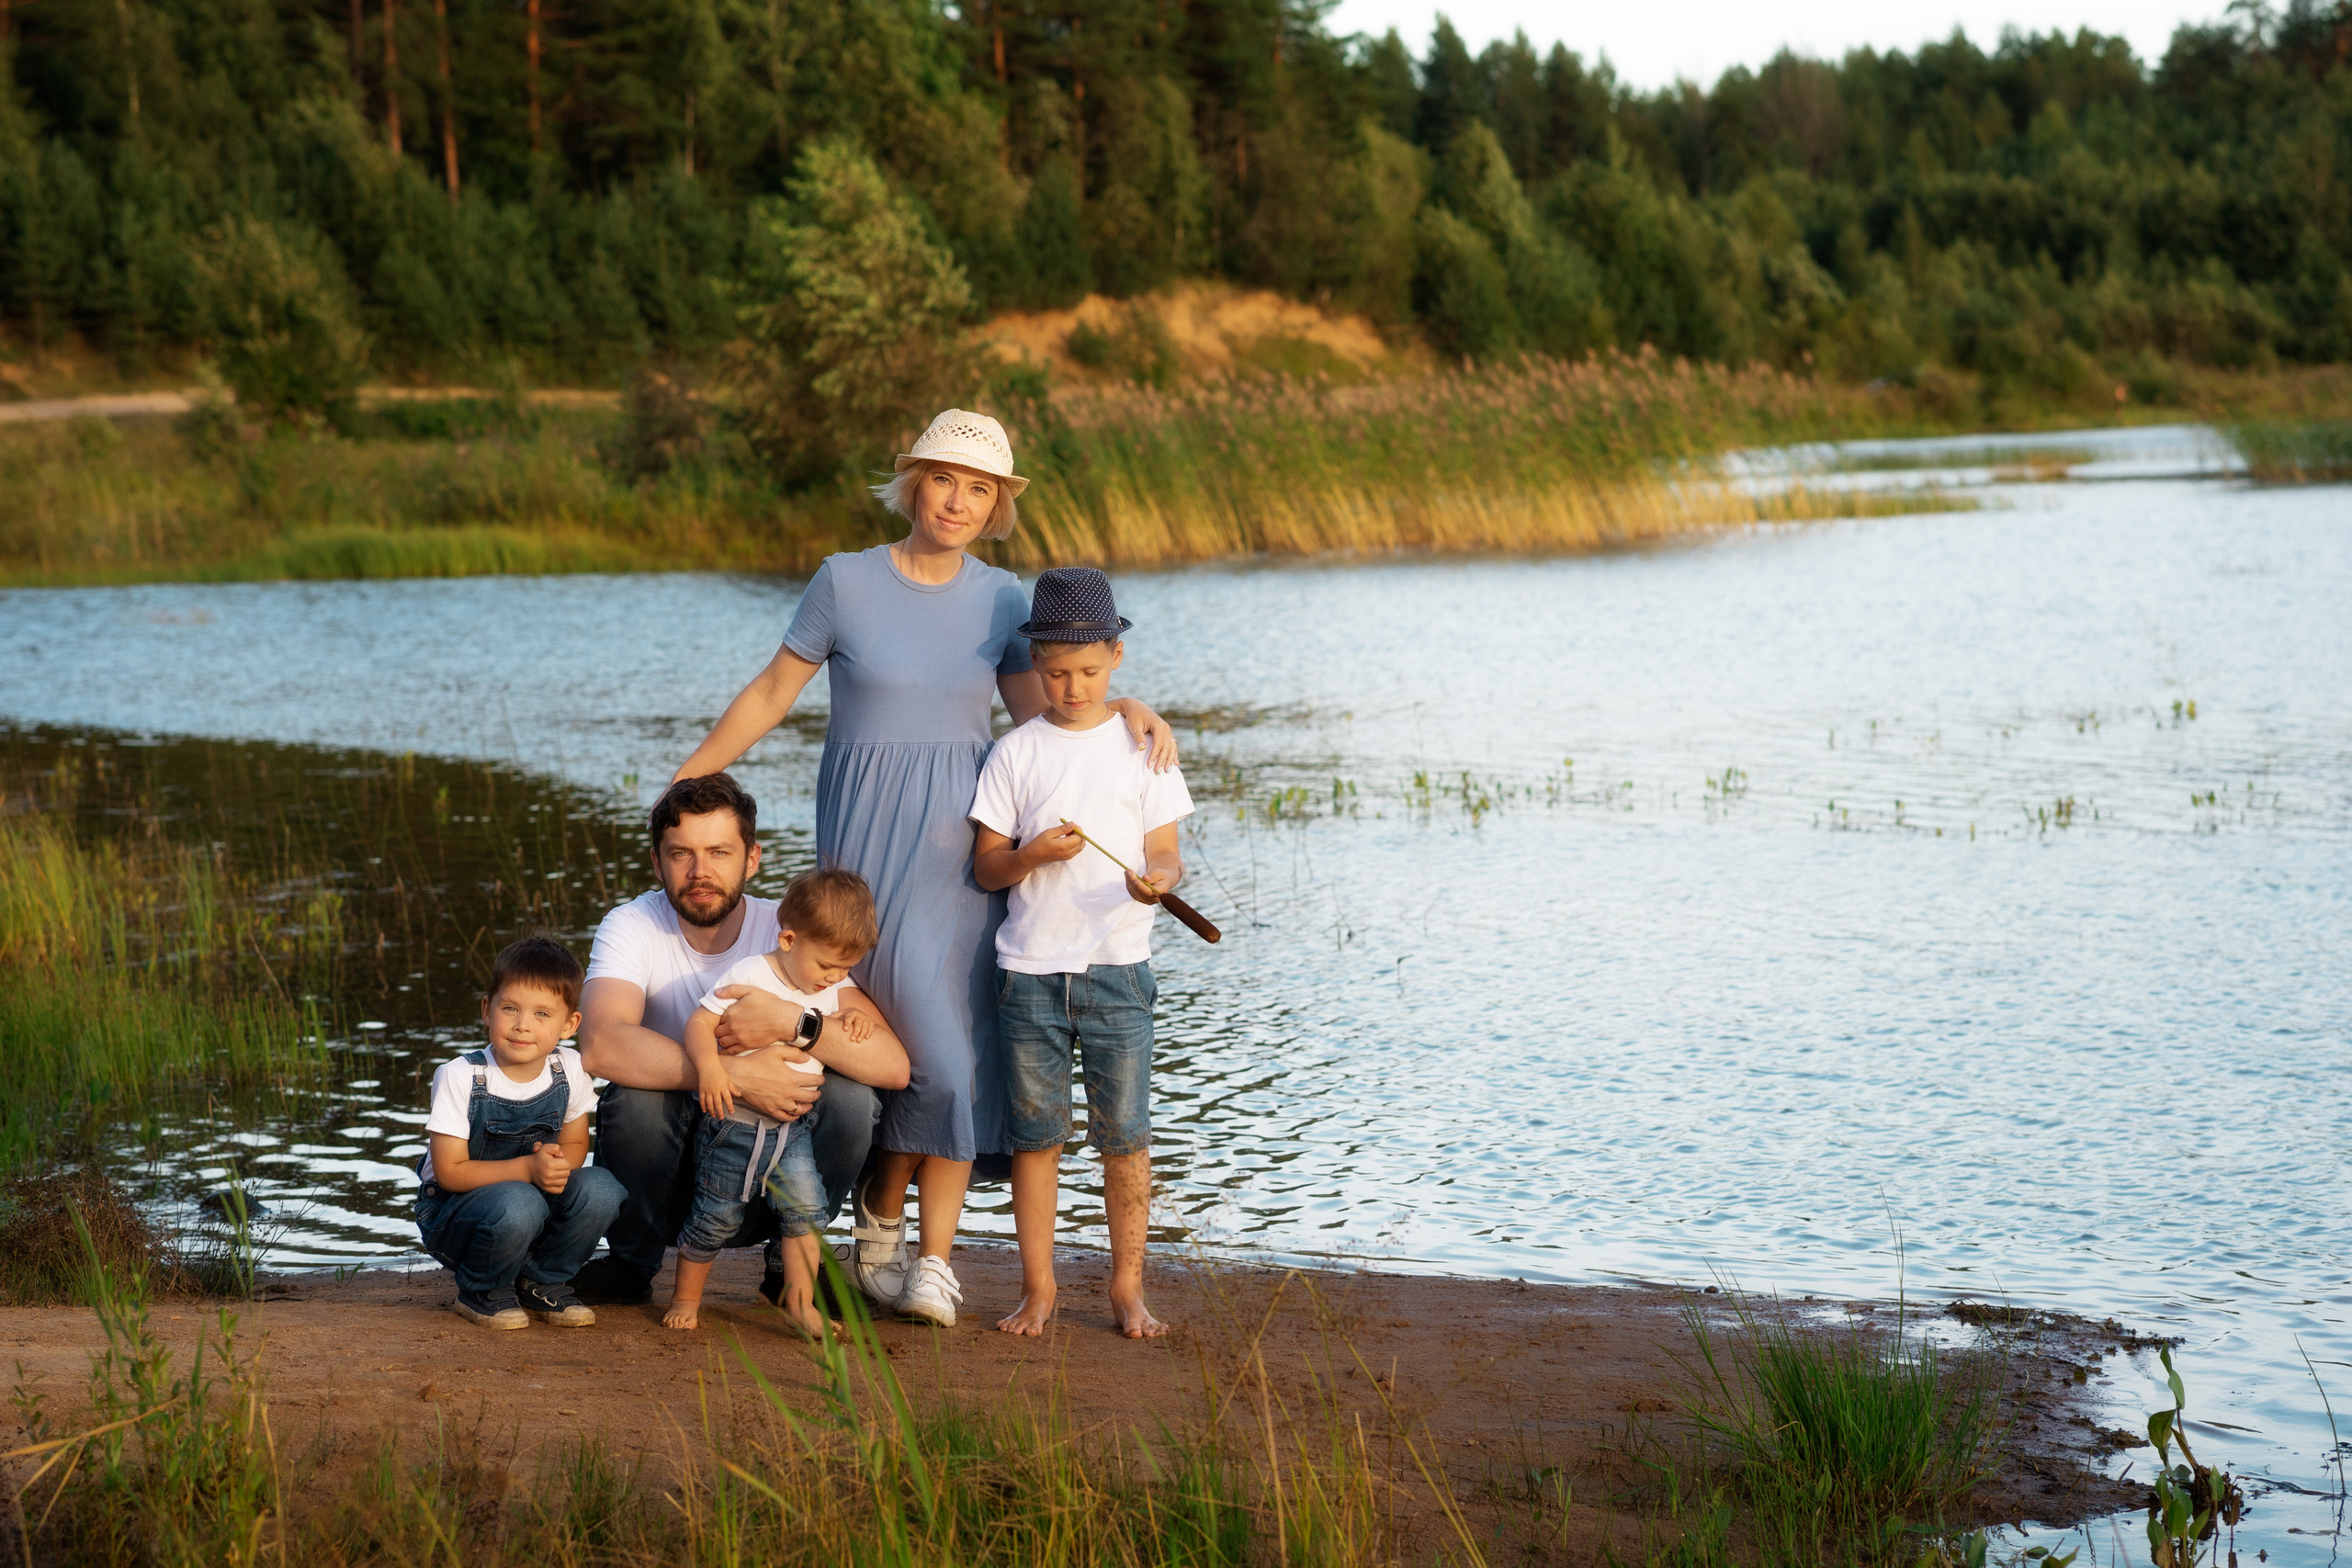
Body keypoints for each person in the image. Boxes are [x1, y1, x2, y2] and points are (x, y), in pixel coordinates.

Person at [670, 408, 1178, 1328]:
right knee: (861, 1055)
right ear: (913, 483)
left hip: (960, 857)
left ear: (996, 508)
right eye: (944, 479)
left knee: (947, 1061)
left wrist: (1131, 702)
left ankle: (923, 1257)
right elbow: (775, 689)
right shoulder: (844, 581)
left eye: (979, 489)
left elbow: (1052, 715)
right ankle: (849, 1239)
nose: (957, 500)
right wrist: (695, 771)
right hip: (858, 856)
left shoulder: (998, 601)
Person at [572, 774, 910, 1308]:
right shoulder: (632, 924)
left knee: (852, 1100)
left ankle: (790, 1266)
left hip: (774, 1166)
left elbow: (891, 1067)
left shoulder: (792, 933)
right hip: (673, 1176)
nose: (699, 871)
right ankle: (631, 1263)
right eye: (680, 854)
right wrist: (735, 1075)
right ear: (657, 862)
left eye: (719, 852)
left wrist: (793, 1022)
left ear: (752, 858)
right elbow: (600, 1046)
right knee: (634, 1100)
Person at [971, 569, 1193, 1339]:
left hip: (1119, 971)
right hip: (1028, 974)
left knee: (1125, 1140)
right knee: (1037, 1139)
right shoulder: (1016, 753)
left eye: (1090, 671)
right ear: (1036, 665)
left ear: (1117, 658)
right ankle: (1041, 1290)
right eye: (1057, 672)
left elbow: (1166, 854)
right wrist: (1030, 855)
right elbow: (987, 866)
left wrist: (1153, 883)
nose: (1072, 686)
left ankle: (1127, 1288)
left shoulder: (1145, 748)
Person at [665, 868, 904, 1335]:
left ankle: (799, 1302)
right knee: (714, 1215)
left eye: (845, 969)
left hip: (791, 1131)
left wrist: (853, 1016)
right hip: (733, 1122)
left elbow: (875, 1047)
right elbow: (698, 1024)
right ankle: (685, 1297)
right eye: (827, 966)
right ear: (790, 939)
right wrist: (711, 1068)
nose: (833, 979)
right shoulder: (750, 974)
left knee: (806, 1214)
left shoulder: (829, 987)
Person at [415, 934, 625, 1329]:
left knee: (602, 1187)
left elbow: (577, 1140)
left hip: (529, 1202)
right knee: (519, 1200)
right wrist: (529, 1170)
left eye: (542, 1014)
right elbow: (450, 1172)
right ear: (487, 1009)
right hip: (455, 1216)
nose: (523, 1025)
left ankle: (543, 1281)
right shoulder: (461, 1076)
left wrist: (556, 1167)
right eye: (510, 1008)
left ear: (569, 1024)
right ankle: (483, 1287)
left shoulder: (570, 1068)